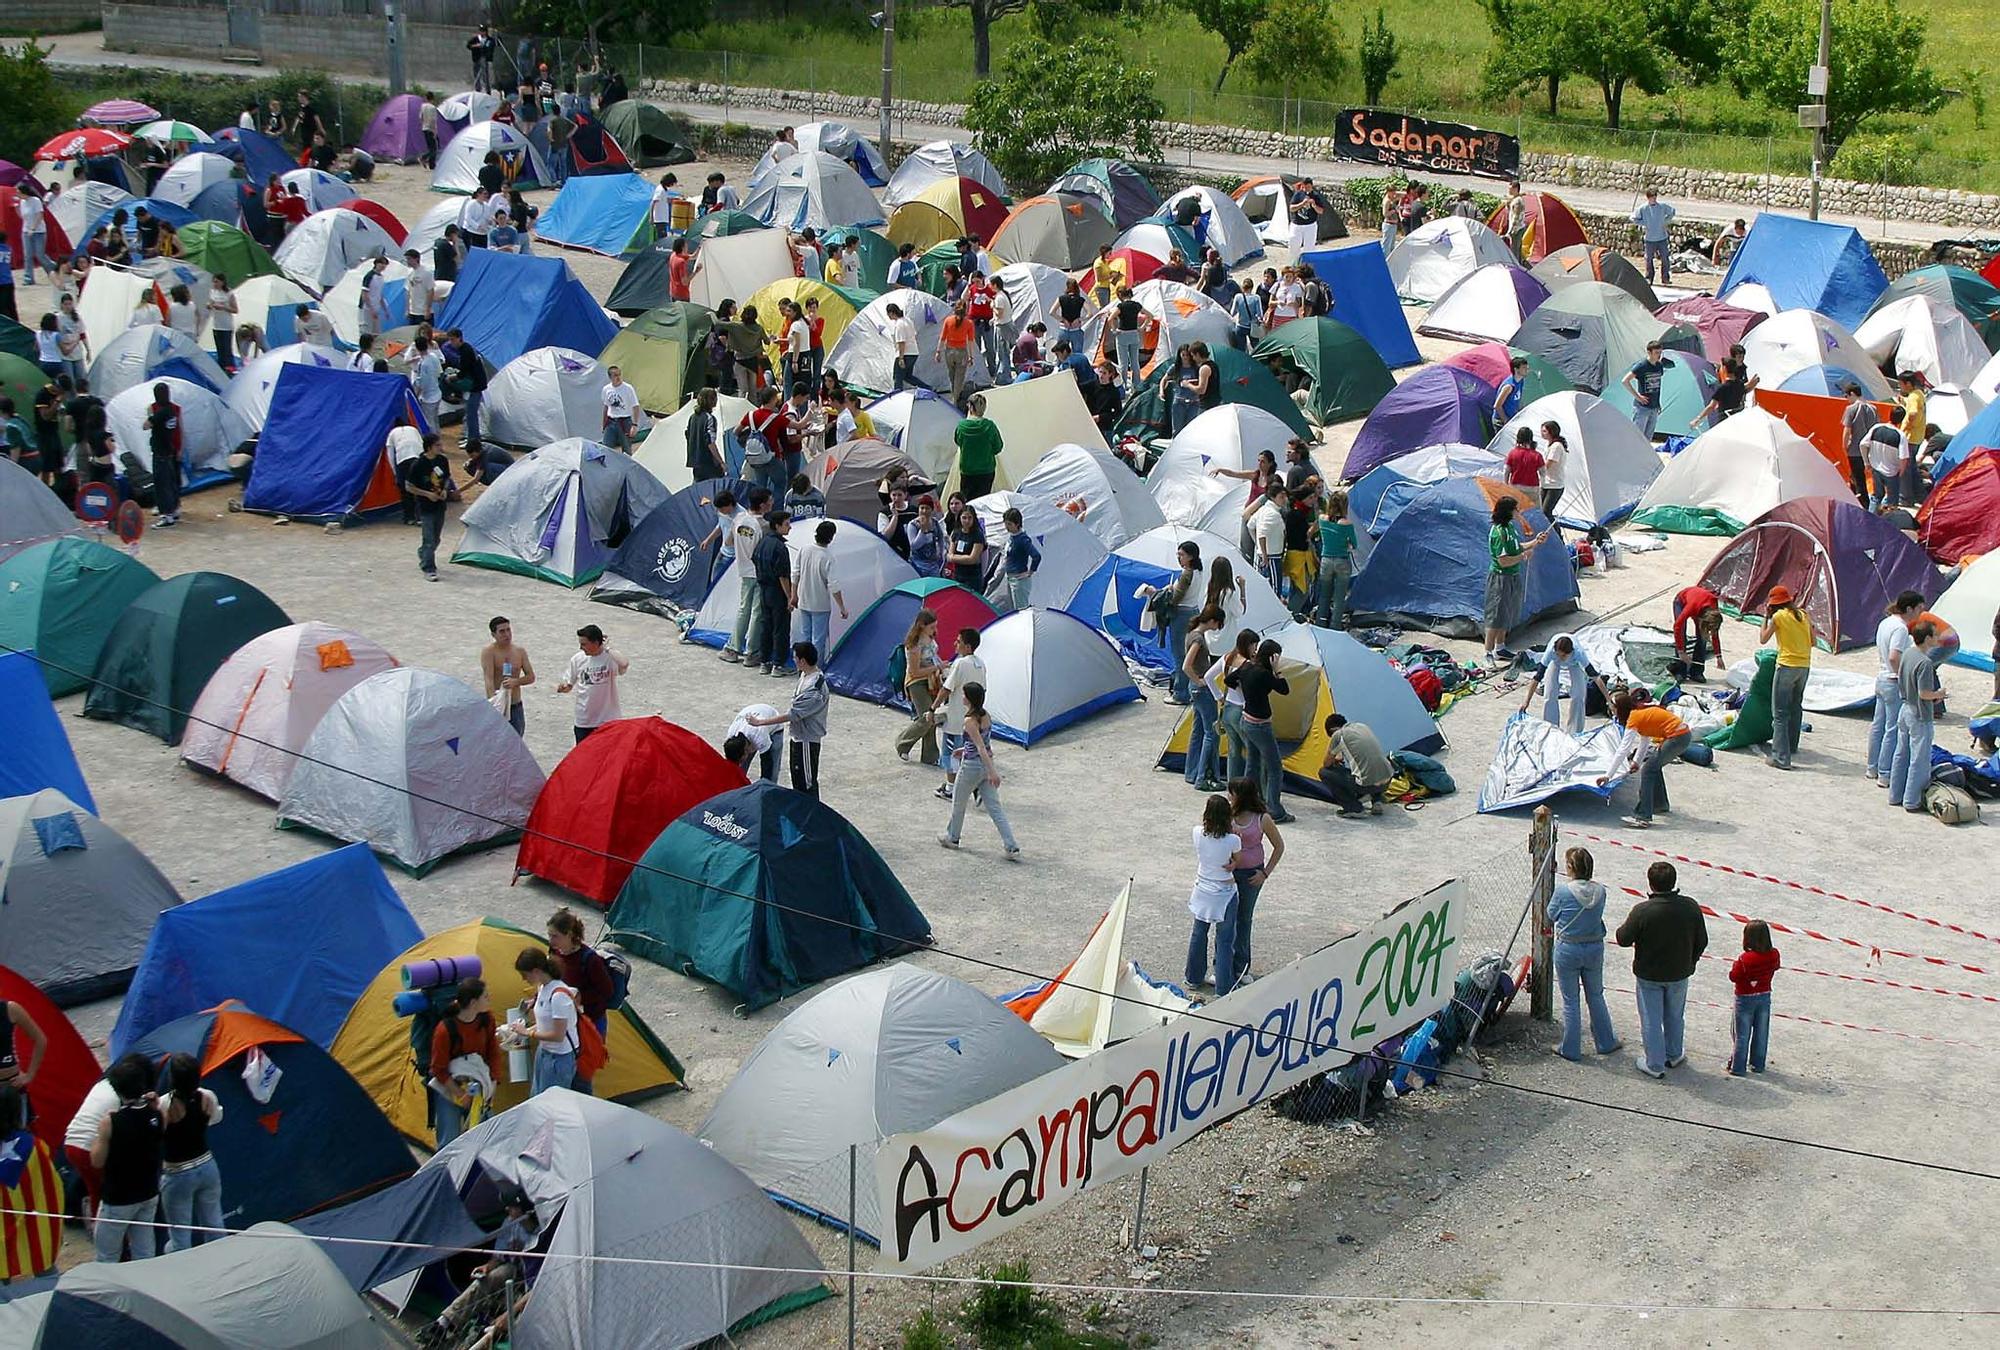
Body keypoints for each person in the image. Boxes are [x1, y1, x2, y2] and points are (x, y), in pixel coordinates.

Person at [1614, 861, 1706, 1079]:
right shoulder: (1690, 907)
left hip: (1649, 975)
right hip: (1679, 972)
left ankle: (1654, 1063)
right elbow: (1702, 940)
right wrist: (1691, 961)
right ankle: (1674, 1054)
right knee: (1675, 1015)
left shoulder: (1642, 911)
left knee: (1651, 1019)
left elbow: (1623, 938)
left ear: (1650, 884)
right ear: (1674, 882)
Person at [89, 1054, 164, 1262]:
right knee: (145, 1253)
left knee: (107, 1255)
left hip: (119, 1198)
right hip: (148, 1192)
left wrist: (98, 1136)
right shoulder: (156, 1115)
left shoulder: (111, 1121)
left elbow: (96, 1160)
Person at [1548, 847, 1621, 1062]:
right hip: (1594, 947)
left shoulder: (1563, 892)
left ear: (1570, 867)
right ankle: (1606, 1041)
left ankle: (1570, 1047)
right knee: (1596, 995)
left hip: (1568, 948)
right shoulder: (1601, 891)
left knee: (1571, 1000)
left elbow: (1551, 914)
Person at [1224, 638, 1294, 824]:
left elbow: (1229, 679)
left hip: (1246, 720)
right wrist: (1277, 669)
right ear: (1272, 657)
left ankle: (1246, 802)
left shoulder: (1247, 668)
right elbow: (1284, 689)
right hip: (1260, 725)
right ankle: (1275, 811)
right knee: (1275, 768)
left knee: (1252, 763)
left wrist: (1245, 689)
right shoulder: (1265, 674)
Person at [1602, 689, 1692, 829]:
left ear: (1620, 709)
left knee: (1648, 770)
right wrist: (1636, 762)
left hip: (1677, 737)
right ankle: (1659, 804)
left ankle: (1643, 816)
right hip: (1682, 735)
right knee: (1654, 767)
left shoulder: (1634, 718)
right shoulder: (1640, 713)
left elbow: (1623, 749)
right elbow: (1645, 740)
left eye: (1613, 708)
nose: (1611, 710)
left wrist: (1608, 776)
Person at [1184, 794, 1243, 993]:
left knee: (1199, 933)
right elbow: (1237, 860)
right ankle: (1223, 987)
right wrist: (1233, 864)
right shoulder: (1233, 840)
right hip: (1224, 891)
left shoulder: (1196, 833)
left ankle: (1193, 977)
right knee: (1225, 939)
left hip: (1203, 889)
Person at [1887, 620, 1947, 812]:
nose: (1937, 638)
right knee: (1919, 760)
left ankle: (1895, 795)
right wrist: (1939, 694)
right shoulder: (1925, 662)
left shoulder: (1908, 654)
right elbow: (1924, 693)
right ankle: (1912, 801)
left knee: (1901, 754)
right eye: (1935, 635)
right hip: (1919, 714)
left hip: (1904, 708)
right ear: (1927, 638)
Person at [1483, 496, 1549, 663]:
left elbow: (1516, 546)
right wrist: (1523, 556)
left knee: (1507, 612)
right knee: (1495, 615)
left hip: (1513, 576)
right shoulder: (1498, 532)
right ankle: (1488, 653)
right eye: (1515, 509)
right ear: (1508, 511)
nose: (1517, 512)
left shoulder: (1510, 528)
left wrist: (1535, 542)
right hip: (1500, 577)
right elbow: (1503, 560)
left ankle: (1500, 647)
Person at [508, 949, 578, 1096]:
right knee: (537, 1097)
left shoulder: (558, 996)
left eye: (524, 975)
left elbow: (558, 1035)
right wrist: (521, 1032)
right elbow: (544, 1024)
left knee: (552, 1104)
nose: (524, 979)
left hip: (559, 1058)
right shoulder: (542, 988)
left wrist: (528, 1032)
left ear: (536, 971)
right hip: (545, 1052)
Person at [1759, 586, 1813, 770]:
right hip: (1804, 666)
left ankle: (1781, 758)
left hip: (1786, 666)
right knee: (1796, 706)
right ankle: (1791, 745)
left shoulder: (1778, 617)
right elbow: (1812, 641)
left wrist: (1765, 617)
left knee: (1780, 713)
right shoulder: (1803, 615)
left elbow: (1763, 639)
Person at [1520, 634, 1610, 734]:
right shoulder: (1551, 653)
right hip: (1554, 663)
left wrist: (1609, 701)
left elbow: (1596, 677)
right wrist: (1526, 701)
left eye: (1563, 655)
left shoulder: (1578, 653)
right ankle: (1551, 730)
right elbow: (1537, 678)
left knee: (1579, 696)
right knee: (1549, 694)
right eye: (1558, 654)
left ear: (1571, 652)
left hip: (1574, 664)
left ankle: (1575, 732)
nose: (1561, 657)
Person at [1724, 919, 1780, 1077]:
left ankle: (1738, 1066)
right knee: (1761, 1031)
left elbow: (1734, 976)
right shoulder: (1774, 954)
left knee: (1741, 1033)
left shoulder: (1744, 959)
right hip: (1764, 996)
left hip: (1744, 998)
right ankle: (1758, 1063)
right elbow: (1775, 966)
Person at [935, 627, 987, 799]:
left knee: (950, 754)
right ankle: (976, 787)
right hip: (973, 718)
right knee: (971, 754)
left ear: (968, 646)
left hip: (956, 719)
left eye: (959, 642)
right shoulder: (980, 664)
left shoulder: (959, 663)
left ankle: (950, 788)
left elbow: (946, 688)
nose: (955, 644)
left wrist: (933, 707)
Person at [893, 608, 947, 765]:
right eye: (931, 627)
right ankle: (902, 743)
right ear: (922, 626)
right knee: (927, 717)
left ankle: (930, 756)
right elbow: (915, 672)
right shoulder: (914, 645)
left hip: (931, 681)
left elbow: (933, 657)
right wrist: (937, 668)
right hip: (916, 683)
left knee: (931, 717)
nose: (934, 630)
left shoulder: (930, 639)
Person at [556, 623, 627, 742]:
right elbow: (569, 684)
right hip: (584, 721)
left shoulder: (610, 658)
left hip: (608, 720)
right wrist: (563, 687)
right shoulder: (577, 659)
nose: (581, 647)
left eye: (584, 644)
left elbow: (624, 664)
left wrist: (607, 648)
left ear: (595, 643)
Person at [1182, 607, 1228, 791]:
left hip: (1194, 690)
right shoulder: (1199, 639)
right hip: (1201, 689)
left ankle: (1192, 772)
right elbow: (1187, 665)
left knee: (1197, 731)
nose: (1217, 628)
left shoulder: (1191, 634)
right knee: (1212, 733)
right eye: (1218, 623)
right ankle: (1204, 778)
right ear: (1212, 620)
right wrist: (1200, 681)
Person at [791, 519, 849, 656]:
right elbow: (833, 585)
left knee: (805, 636)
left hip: (803, 601)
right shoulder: (828, 557)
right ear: (831, 537)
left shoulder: (804, 550)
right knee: (818, 640)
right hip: (820, 604)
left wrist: (794, 595)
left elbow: (795, 573)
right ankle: (816, 669)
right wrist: (842, 607)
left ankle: (803, 667)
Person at [1317, 714, 1392, 818]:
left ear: (1333, 729)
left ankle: (1354, 809)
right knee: (1371, 766)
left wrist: (1335, 758)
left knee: (1324, 772)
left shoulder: (1338, 735)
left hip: (1366, 785)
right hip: (1387, 780)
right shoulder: (1362, 726)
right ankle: (1377, 801)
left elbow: (1326, 763)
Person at [751, 510, 796, 676]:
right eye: (786, 524)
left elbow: (754, 560)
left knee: (766, 626)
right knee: (781, 629)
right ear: (777, 526)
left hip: (763, 590)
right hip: (777, 592)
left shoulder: (763, 543)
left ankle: (765, 661)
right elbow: (783, 576)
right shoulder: (780, 548)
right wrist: (790, 597)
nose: (790, 527)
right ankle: (779, 664)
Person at [400, 434, 451, 579]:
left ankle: (423, 554)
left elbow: (446, 478)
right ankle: (429, 568)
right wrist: (426, 494)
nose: (441, 448)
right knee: (429, 539)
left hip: (440, 506)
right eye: (438, 445)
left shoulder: (442, 460)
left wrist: (445, 490)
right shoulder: (418, 465)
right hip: (425, 507)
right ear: (429, 447)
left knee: (436, 539)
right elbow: (409, 486)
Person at [481, 616, 536, 736]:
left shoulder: (519, 651)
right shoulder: (489, 652)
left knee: (516, 742)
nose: (506, 634)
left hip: (515, 705)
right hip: (499, 704)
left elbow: (531, 677)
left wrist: (516, 682)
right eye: (502, 631)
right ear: (493, 634)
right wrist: (494, 703)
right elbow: (488, 679)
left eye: (508, 630)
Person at [144, 383, 182, 528]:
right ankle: (173, 508)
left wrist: (152, 418)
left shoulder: (160, 412)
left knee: (162, 483)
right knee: (171, 482)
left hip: (160, 451)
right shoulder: (173, 410)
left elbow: (145, 425)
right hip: (169, 449)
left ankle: (166, 515)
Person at [1669, 583, 1724, 681]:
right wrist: (1681, 652)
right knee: (1681, 633)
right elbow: (1677, 626)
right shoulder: (1692, 606)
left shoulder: (1714, 612)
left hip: (1700, 606)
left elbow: (1714, 634)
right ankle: (1680, 671)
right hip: (1681, 602)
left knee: (1703, 639)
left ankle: (1696, 672)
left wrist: (1718, 656)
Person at [1621, 340, 1671, 440]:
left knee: (1648, 438)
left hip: (1654, 407)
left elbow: (1656, 386)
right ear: (1649, 352)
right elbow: (1625, 381)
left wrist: (1658, 404)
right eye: (1656, 353)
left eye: (1660, 352)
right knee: (1637, 437)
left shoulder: (1659, 366)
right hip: (1642, 407)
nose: (1659, 355)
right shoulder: (1642, 366)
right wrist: (1638, 396)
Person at [1862, 407, 1909, 512]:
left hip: (1876, 468)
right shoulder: (1900, 436)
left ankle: (1870, 520)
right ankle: (1887, 523)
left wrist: (1866, 462)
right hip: (1891, 472)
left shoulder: (1876, 428)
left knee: (1876, 496)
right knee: (1892, 501)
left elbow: (1862, 444)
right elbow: (1903, 458)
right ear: (1902, 420)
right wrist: (1900, 472)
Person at [1838, 382, 1877, 502]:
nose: (1846, 399)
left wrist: (1845, 446)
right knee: (1870, 477)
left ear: (1852, 394)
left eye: (1846, 396)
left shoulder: (1851, 409)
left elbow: (1847, 430)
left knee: (1858, 477)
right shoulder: (1873, 408)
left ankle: (1861, 502)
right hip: (1871, 449)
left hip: (1855, 449)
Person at [1630, 187, 1676, 285]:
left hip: (1662, 237)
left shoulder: (1662, 206)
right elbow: (1633, 218)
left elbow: (1672, 212)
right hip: (1649, 239)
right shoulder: (1643, 208)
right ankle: (1649, 277)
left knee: (1665, 258)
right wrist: (1644, 223)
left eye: (1655, 197)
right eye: (1652, 197)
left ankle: (1665, 278)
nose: (1654, 199)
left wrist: (1665, 221)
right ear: (1648, 198)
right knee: (1649, 258)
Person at [1000, 506, 1041, 612]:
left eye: (1009, 524)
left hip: (1019, 580)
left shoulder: (1022, 539)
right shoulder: (1012, 537)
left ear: (1017, 524)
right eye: (1006, 523)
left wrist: (1030, 571)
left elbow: (1036, 556)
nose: (1007, 527)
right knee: (1015, 609)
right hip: (1011, 577)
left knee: (1021, 609)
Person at [904, 495, 948, 578]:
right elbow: (913, 546)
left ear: (931, 510)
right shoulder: (913, 525)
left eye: (927, 508)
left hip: (933, 564)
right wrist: (922, 531)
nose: (924, 511)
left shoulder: (934, 522)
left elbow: (940, 537)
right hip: (918, 563)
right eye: (922, 508)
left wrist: (941, 552)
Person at [945, 504, 986, 590]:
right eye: (964, 518)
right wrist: (958, 558)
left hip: (972, 578)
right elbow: (949, 555)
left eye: (970, 518)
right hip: (958, 575)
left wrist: (954, 558)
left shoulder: (977, 535)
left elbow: (972, 559)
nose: (967, 521)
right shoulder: (956, 532)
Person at [600, 365, 640, 452]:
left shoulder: (628, 388)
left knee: (626, 449)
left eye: (619, 375)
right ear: (610, 377)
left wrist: (634, 425)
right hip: (611, 422)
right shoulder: (606, 389)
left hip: (625, 421)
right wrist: (603, 424)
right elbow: (606, 407)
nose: (618, 377)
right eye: (615, 375)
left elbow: (636, 406)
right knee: (606, 448)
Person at [1536, 420, 1568, 518]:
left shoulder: (1556, 446)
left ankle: (1556, 532)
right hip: (1545, 483)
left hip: (1554, 485)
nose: (1542, 433)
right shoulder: (1548, 445)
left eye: (1544, 431)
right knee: (1541, 510)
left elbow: (1548, 465)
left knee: (1546, 511)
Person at [1504, 425, 1544, 492]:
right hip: (1532, 487)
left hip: (1515, 486)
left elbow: (1506, 471)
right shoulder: (1537, 455)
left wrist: (1506, 484)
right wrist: (1542, 486)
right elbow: (1543, 472)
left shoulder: (1512, 453)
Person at [1493, 354, 1529, 424]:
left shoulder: (1521, 380)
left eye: (1527, 367)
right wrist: (1505, 420)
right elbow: (1497, 406)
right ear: (1516, 369)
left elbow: (1518, 398)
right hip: (1501, 421)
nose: (1527, 370)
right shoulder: (1509, 386)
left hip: (1513, 418)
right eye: (1524, 368)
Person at [1502, 180, 1528, 258]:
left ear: (1516, 189)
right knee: (1516, 248)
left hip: (1517, 229)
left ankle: (1516, 266)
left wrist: (1512, 230)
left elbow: (1517, 217)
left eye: (1510, 189)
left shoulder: (1518, 201)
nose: (1509, 190)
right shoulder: (1515, 199)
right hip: (1516, 228)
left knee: (1515, 250)